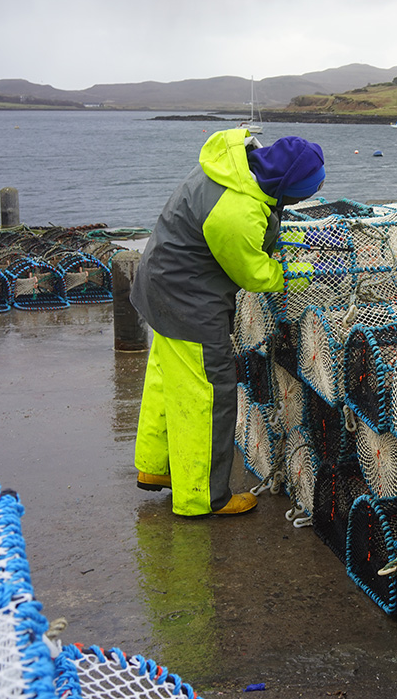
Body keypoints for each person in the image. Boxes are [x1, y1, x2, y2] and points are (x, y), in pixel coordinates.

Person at [130, 129, 325, 517]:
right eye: (303, 195)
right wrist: (294, 271)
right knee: (209, 395)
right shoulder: (236, 213)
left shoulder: (232, 166)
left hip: (161, 282)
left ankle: (157, 468)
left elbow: (251, 225)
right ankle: (203, 497)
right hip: (186, 301)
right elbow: (252, 273)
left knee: (167, 380)